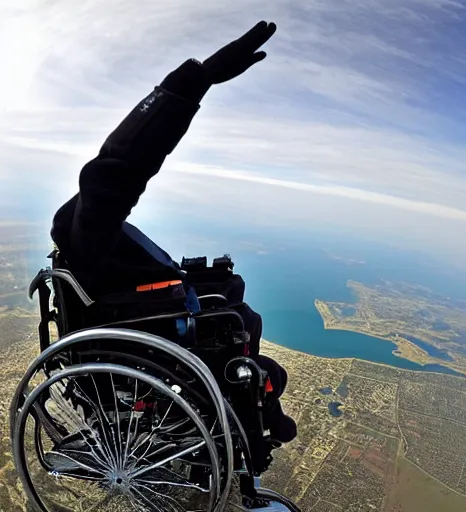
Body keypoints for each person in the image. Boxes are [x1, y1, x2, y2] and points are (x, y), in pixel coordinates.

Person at [50, 20, 297, 444]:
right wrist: (193, 83)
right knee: (256, 355)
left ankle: (259, 419)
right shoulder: (92, 227)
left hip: (143, 325)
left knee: (234, 300)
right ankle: (255, 433)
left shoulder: (89, 237)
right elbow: (121, 164)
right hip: (145, 340)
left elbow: (116, 167)